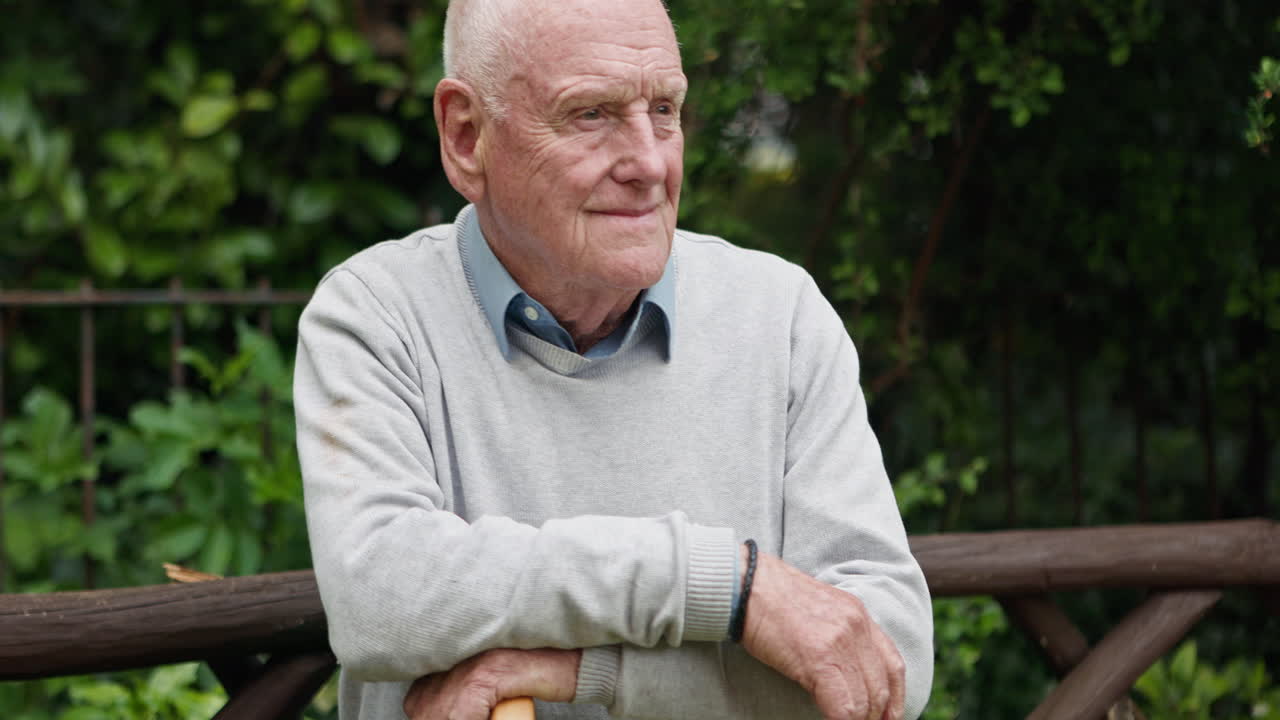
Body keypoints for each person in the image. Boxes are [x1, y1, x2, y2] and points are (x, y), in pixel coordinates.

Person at [293, 0, 933, 717]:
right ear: (467, 137)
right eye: (591, 114)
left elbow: (887, 661)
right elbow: (383, 594)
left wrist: (586, 673)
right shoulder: (378, 315)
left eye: (664, 109)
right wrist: (726, 586)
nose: (651, 163)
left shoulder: (780, 315)